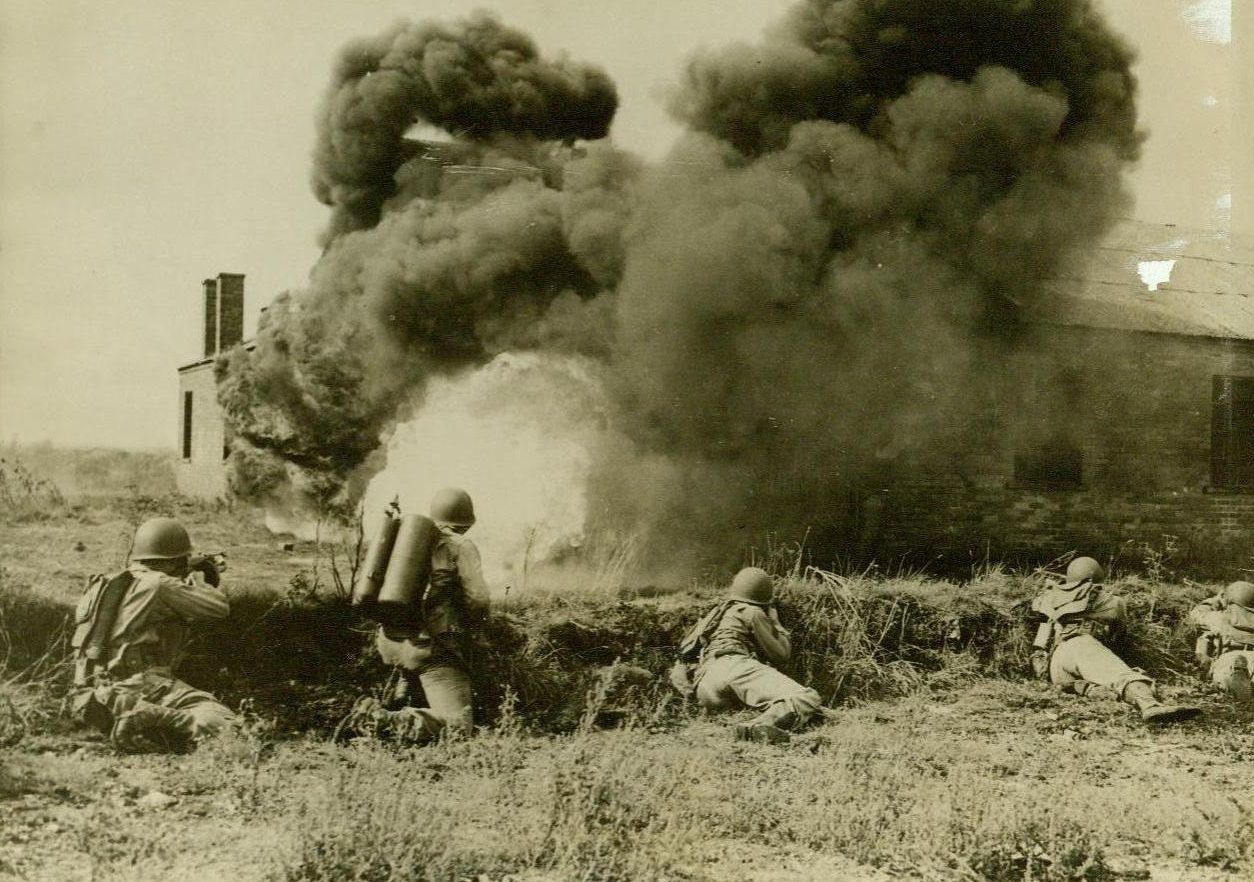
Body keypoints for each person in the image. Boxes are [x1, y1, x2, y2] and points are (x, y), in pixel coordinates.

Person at [70, 517, 235, 752]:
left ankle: (141, 722)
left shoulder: (107, 582)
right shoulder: (160, 584)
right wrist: (199, 578)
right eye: (183, 559)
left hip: (91, 695)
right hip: (136, 686)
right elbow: (218, 608)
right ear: (175, 561)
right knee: (229, 727)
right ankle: (145, 714)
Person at [339, 487, 490, 744]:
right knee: (458, 726)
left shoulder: (406, 542)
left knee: (412, 686)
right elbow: (477, 598)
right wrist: (478, 625)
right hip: (432, 647)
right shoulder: (460, 546)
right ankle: (376, 719)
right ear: (465, 521)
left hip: (392, 642)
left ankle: (395, 708)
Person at [1029, 556, 1199, 725]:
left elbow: (1039, 643)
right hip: (1082, 648)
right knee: (1121, 674)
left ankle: (1087, 689)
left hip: (1056, 667)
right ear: (1097, 577)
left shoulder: (1049, 597)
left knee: (1099, 682)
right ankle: (1149, 705)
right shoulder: (1111, 601)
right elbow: (1119, 636)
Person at [674, 566, 821, 744]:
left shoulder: (716, 613)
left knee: (768, 701)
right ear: (764, 596)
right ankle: (758, 726)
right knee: (805, 696)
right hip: (735, 667)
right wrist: (775, 622)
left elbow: (685, 651)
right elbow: (782, 655)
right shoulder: (752, 611)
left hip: (706, 684)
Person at [1188, 580, 1254, 704]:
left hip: (1230, 656)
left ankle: (1236, 676)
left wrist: (1218, 600)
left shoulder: (1219, 617)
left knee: (1224, 673)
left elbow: (1197, 614)